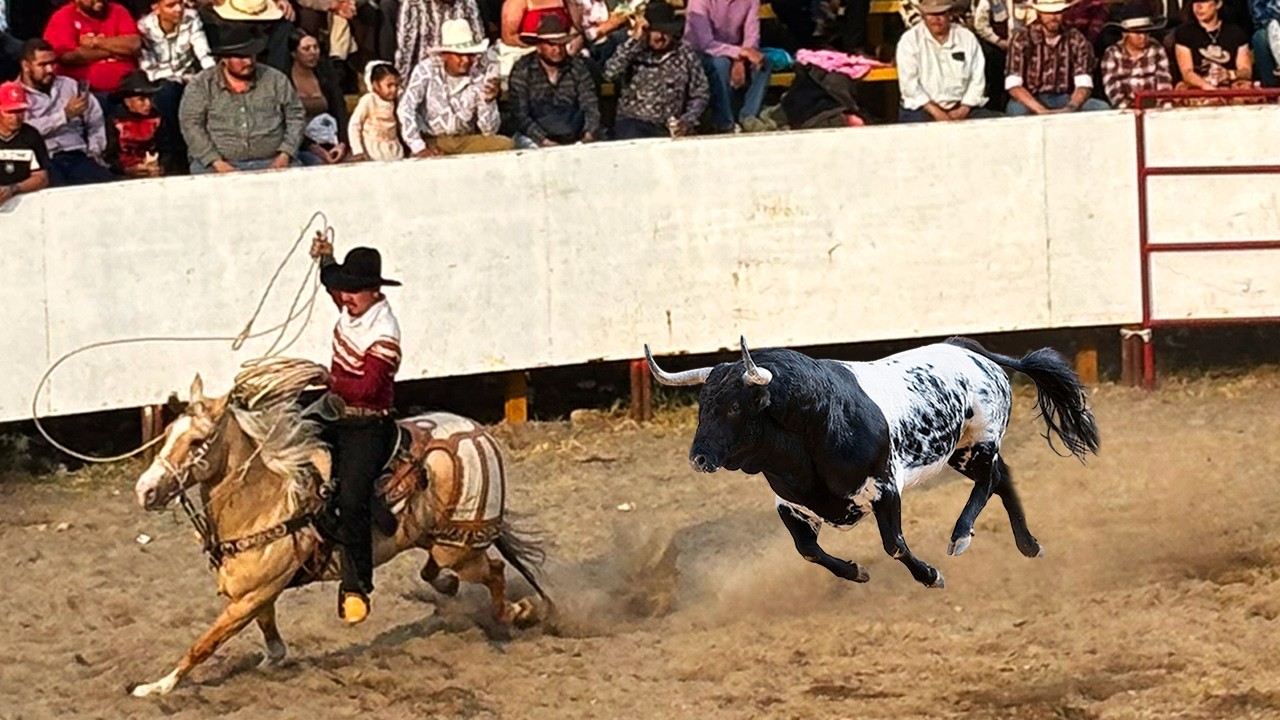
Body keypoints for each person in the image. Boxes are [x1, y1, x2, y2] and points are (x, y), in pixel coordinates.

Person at [309, 233, 404, 626]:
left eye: (353, 292)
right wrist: (325, 259)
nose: (344, 297)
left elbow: (368, 388)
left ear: (373, 293)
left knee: (351, 501)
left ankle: (356, 584)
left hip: (368, 423)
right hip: (337, 411)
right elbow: (332, 283)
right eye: (344, 291)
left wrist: (326, 380)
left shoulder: (385, 332)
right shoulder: (354, 307)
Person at [348, 60, 406, 161]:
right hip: (372, 150)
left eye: (396, 85)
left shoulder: (397, 102)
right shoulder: (369, 100)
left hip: (393, 149)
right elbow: (354, 125)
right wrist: (358, 151)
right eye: (389, 85)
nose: (394, 89)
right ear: (375, 85)